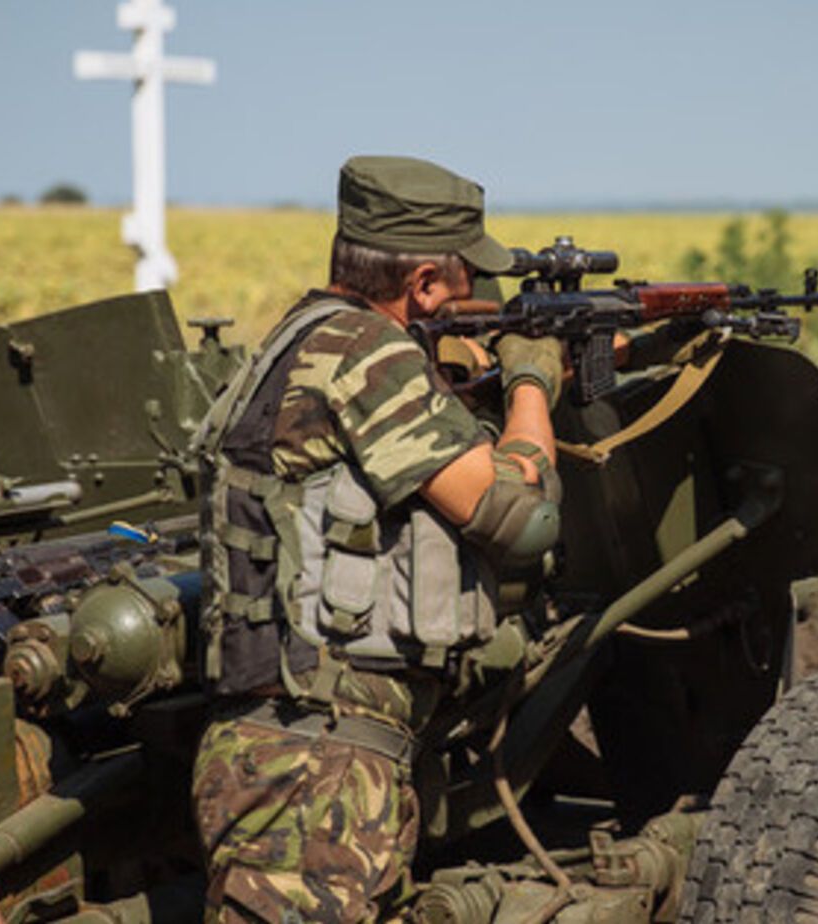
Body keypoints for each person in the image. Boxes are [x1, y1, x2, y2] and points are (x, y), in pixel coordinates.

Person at [192, 155, 566, 922]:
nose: (476, 299)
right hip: (315, 769)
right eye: (467, 281)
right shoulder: (369, 353)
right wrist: (532, 382)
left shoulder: (299, 336)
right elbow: (524, 521)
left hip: (294, 751)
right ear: (425, 284)